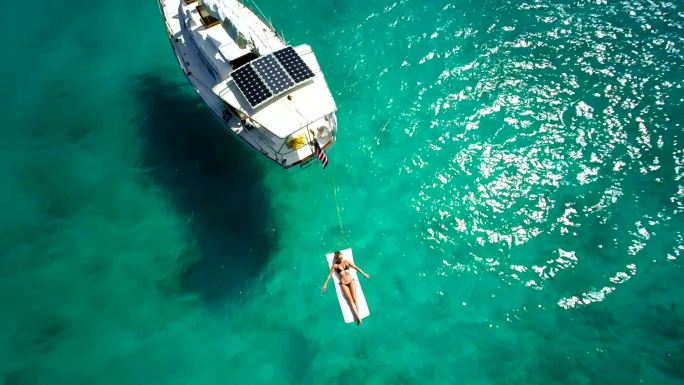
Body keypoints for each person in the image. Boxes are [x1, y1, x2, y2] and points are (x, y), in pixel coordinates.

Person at [321, 251, 370, 325]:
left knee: (354, 299)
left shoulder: (346, 261)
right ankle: (358, 318)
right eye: (340, 258)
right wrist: (325, 284)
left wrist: (364, 274)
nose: (341, 259)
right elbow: (329, 275)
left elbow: (356, 267)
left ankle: (358, 316)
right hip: (343, 284)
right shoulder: (335, 266)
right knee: (350, 300)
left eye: (342, 257)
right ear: (337, 258)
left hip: (351, 281)